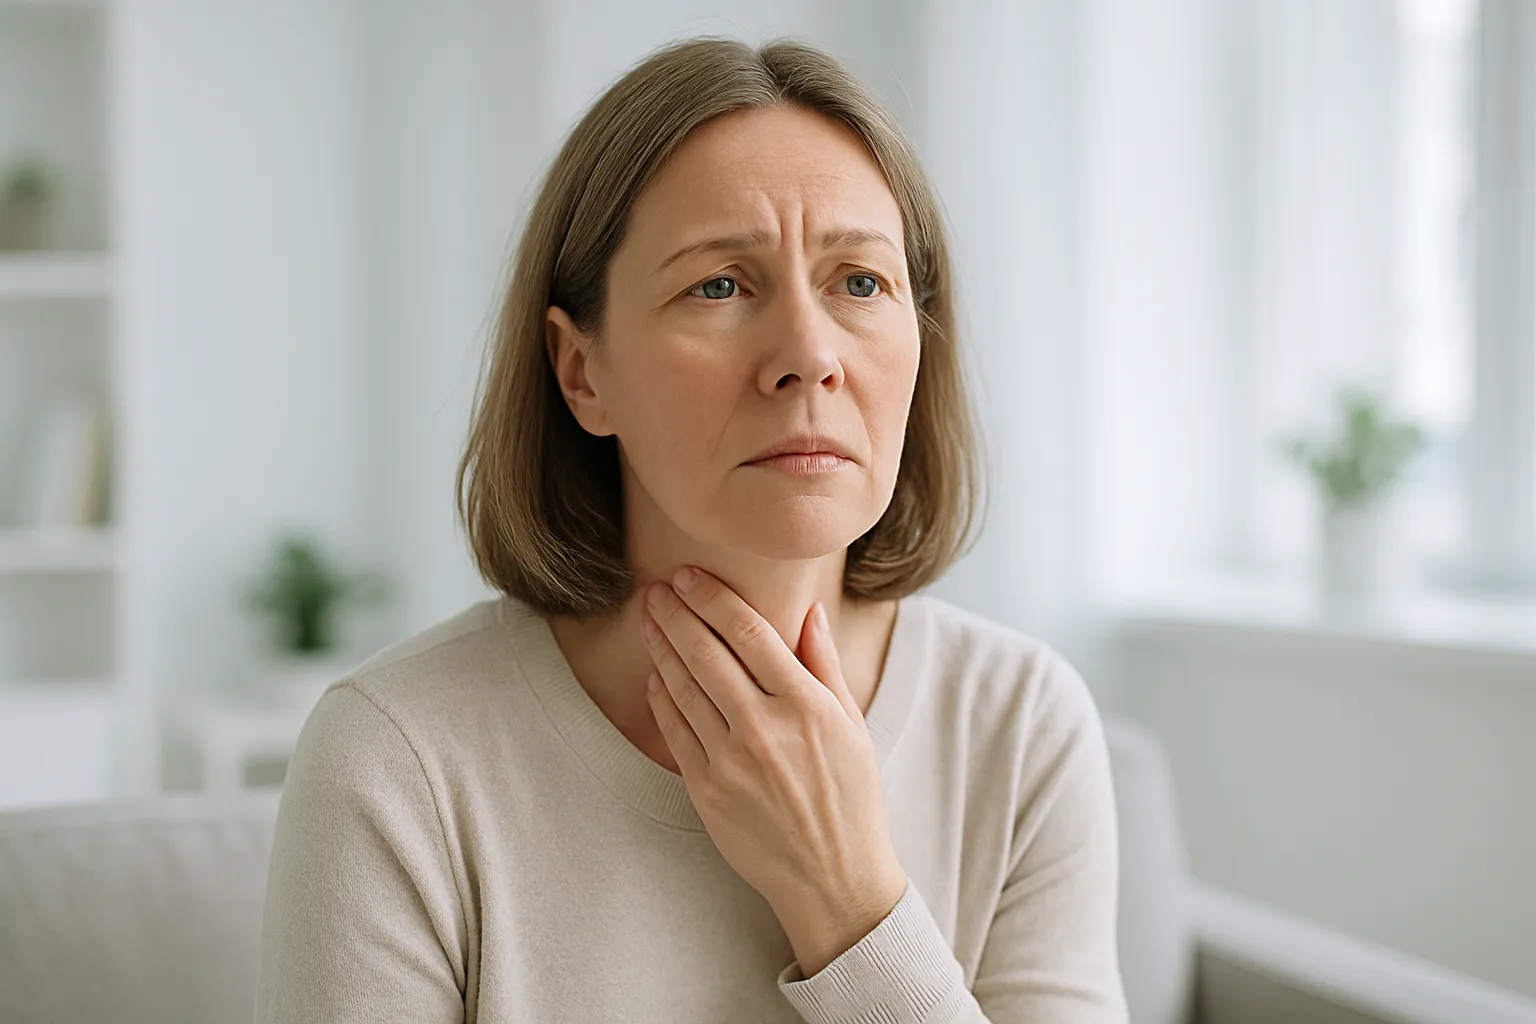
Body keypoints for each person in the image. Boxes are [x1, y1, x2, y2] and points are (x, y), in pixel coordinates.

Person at [255, 36, 1127, 1024]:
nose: (808, 355)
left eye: (860, 282)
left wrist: (849, 900)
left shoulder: (1023, 725)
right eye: (719, 285)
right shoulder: (394, 760)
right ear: (581, 371)